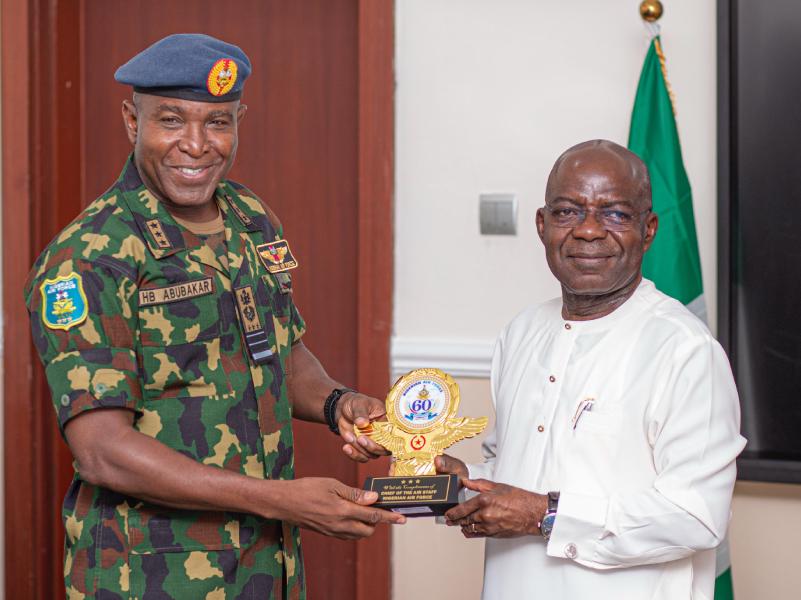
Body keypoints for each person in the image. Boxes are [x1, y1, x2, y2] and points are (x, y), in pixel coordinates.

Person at [24, 34, 401, 599]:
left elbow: (279, 352)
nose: (197, 145)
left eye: (218, 122)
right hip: (152, 576)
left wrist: (338, 403)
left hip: (264, 567)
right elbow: (102, 453)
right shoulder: (90, 256)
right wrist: (284, 499)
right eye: (171, 121)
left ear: (239, 120)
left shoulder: (251, 218)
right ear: (132, 121)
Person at [436, 140, 745, 600]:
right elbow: (517, 466)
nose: (588, 231)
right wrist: (460, 480)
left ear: (649, 229)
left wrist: (544, 514)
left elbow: (697, 516)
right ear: (542, 226)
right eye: (567, 212)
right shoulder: (520, 333)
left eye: (615, 214)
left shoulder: (684, 350)